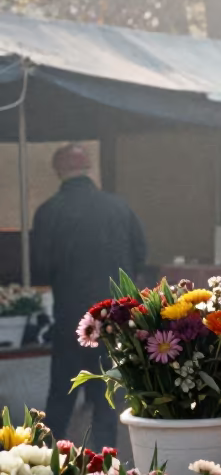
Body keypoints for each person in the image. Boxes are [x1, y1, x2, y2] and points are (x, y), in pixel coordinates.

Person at [30, 144, 147, 447]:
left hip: (70, 318)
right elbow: (141, 255)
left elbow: (40, 269)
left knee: (61, 397)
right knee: (107, 397)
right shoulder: (120, 209)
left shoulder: (48, 212)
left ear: (58, 170)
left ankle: (46, 465)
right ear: (89, 168)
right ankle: (105, 466)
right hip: (113, 319)